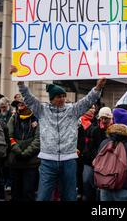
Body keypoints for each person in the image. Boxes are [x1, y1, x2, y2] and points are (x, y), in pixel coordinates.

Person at [10, 65, 106, 201]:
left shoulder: (72, 110)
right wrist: (20, 82)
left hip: (69, 160)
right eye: (58, 96)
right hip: (48, 161)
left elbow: (88, 101)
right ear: (51, 98)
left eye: (63, 96)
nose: (62, 99)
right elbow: (28, 98)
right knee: (43, 197)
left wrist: (98, 88)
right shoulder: (42, 110)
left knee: (70, 196)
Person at [7, 99, 40, 201]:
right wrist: (17, 150)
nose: (20, 106)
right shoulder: (13, 118)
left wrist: (26, 153)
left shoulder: (37, 120)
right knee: (15, 193)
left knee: (28, 192)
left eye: (22, 103)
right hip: (15, 161)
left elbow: (38, 139)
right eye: (18, 104)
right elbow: (9, 135)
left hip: (31, 163)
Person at [82, 107, 113, 201]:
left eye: (106, 118)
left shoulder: (113, 131)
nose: (103, 120)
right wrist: (97, 157)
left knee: (101, 185)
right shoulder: (93, 130)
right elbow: (89, 147)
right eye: (102, 118)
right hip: (91, 161)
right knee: (87, 180)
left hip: (106, 163)